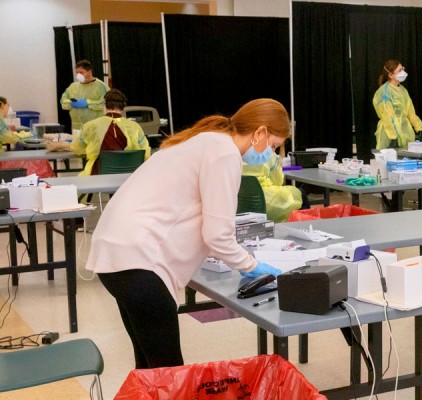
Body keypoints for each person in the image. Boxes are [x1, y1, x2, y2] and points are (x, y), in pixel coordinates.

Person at [87, 99, 288, 369]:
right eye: (273, 146)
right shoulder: (225, 153)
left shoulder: (208, 140)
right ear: (260, 132)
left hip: (118, 254)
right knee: (170, 373)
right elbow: (218, 236)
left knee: (151, 370)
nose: (271, 154)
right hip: (140, 261)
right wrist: (252, 267)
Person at [71, 89, 151, 176]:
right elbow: (146, 154)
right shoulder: (135, 127)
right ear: (123, 106)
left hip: (98, 175)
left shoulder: (90, 126)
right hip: (129, 177)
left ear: (105, 105)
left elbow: (77, 148)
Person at [372, 60, 422, 150]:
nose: (403, 72)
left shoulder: (403, 90)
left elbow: (410, 111)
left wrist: (418, 128)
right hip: (389, 135)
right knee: (389, 157)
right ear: (390, 75)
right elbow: (388, 115)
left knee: (405, 157)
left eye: (402, 69)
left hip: (405, 132)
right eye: (399, 71)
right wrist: (393, 136)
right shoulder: (384, 92)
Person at [242, 154, 304, 223]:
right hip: (267, 201)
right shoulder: (268, 154)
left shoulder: (235, 154)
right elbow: (278, 182)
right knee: (299, 194)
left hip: (240, 202)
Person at [60, 60, 109, 132]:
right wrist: (71, 103)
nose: (78, 75)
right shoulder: (73, 86)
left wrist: (88, 103)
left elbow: (105, 104)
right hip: (77, 127)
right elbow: (63, 102)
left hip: (95, 127)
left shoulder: (101, 86)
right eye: (77, 72)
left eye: (81, 72)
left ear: (89, 72)